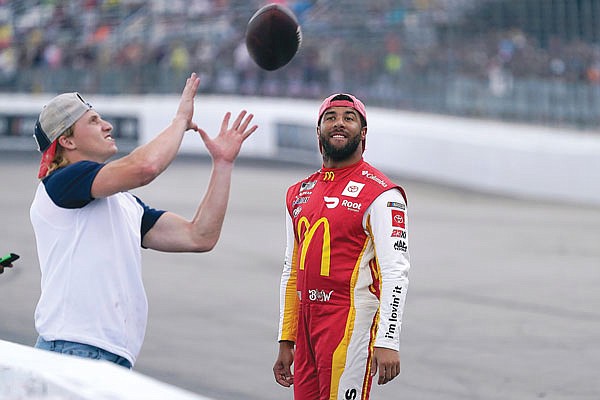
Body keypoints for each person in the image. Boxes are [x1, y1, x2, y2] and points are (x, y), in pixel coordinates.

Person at [30, 73, 257, 369]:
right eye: (93, 121)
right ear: (67, 140)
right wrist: (180, 121)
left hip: (104, 355)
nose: (107, 125)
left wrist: (223, 165)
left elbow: (198, 236)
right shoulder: (60, 182)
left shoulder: (122, 203)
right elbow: (145, 167)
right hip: (74, 350)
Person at [273, 94, 410, 399]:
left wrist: (389, 339)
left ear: (363, 133)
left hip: (349, 321)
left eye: (349, 118)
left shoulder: (383, 194)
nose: (339, 123)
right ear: (319, 131)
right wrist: (286, 338)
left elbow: (395, 271)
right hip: (307, 324)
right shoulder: (298, 192)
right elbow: (291, 270)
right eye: (330, 117)